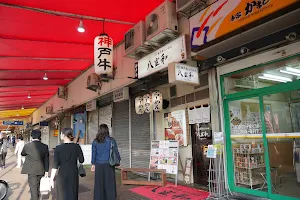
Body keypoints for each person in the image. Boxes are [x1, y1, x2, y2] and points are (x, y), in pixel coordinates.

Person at [49, 128, 84, 200]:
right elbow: (81, 160)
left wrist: (51, 179)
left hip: (62, 174)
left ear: (64, 135)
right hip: (73, 173)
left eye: (61, 134)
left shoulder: (58, 148)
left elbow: (55, 165)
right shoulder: (77, 146)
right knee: (72, 193)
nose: (60, 135)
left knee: (62, 195)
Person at [91, 124, 120, 200]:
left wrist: (93, 164)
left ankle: (99, 197)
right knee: (109, 182)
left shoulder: (95, 141)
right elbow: (115, 151)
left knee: (99, 183)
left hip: (98, 164)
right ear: (107, 130)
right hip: (109, 164)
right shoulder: (111, 140)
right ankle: (110, 197)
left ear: (99, 130)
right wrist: (118, 161)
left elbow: (93, 153)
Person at [21, 130, 49, 200]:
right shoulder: (45, 146)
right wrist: (46, 171)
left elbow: (22, 153)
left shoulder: (27, 146)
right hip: (41, 169)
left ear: (31, 136)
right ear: (40, 136)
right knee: (38, 186)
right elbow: (46, 160)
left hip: (31, 170)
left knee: (33, 188)